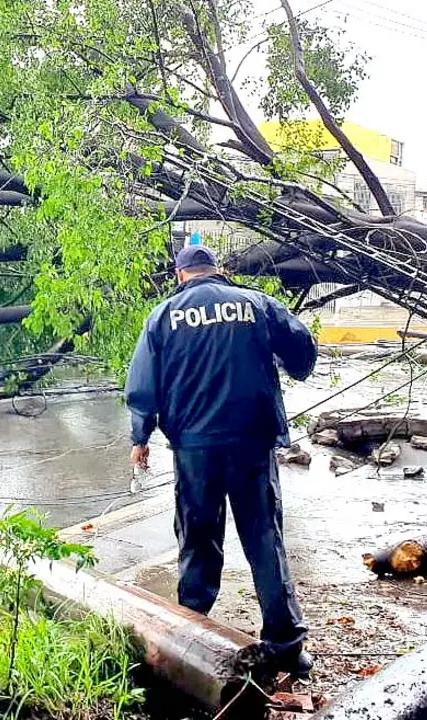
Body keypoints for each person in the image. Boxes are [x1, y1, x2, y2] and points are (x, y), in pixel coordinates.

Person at [124, 242, 317, 675]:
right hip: (252, 441)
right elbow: (302, 344)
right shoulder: (256, 304)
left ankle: (191, 637)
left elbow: (142, 386)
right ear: (219, 271)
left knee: (197, 540)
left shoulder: (161, 318)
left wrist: (140, 437)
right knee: (264, 538)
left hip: (194, 447)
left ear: (179, 277)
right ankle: (287, 646)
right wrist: (295, 368)